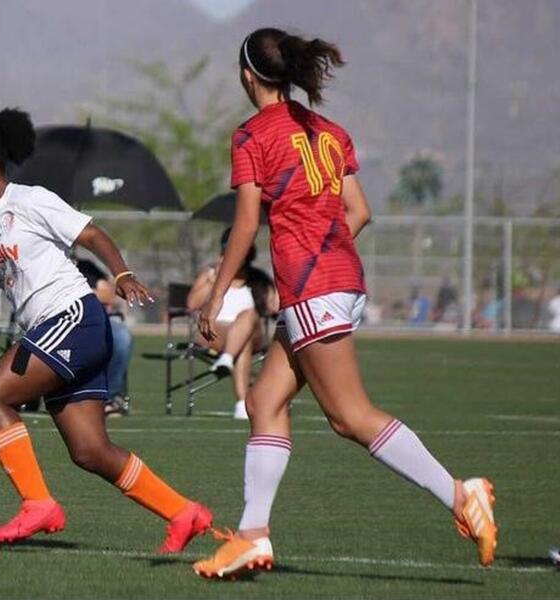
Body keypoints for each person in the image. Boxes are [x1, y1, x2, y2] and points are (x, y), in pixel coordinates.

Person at [192, 28, 496, 578]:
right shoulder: (329, 131)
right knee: (265, 400)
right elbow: (359, 211)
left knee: (349, 416)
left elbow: (243, 228)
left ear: (246, 76)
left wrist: (214, 301)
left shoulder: (252, 136)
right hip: (342, 283)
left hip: (316, 291)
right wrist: (324, 262)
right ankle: (253, 536)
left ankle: (460, 494)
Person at [0, 108, 211, 551]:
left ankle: (38, 504)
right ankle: (184, 512)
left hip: (73, 318)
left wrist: (120, 275)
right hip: (58, 332)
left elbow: (93, 235)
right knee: (90, 452)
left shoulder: (30, 200)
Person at [187, 227, 278, 419]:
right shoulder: (211, 275)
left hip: (252, 334)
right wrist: (215, 280)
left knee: (249, 315)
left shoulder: (257, 279)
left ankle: (227, 359)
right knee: (241, 344)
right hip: (214, 334)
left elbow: (276, 307)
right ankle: (241, 403)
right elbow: (192, 304)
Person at [75, 256, 133, 415]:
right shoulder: (47, 264)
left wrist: (77, 292)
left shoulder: (86, 267)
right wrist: (92, 293)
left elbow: (109, 295)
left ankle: (109, 397)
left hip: (96, 320)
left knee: (121, 337)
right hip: (62, 322)